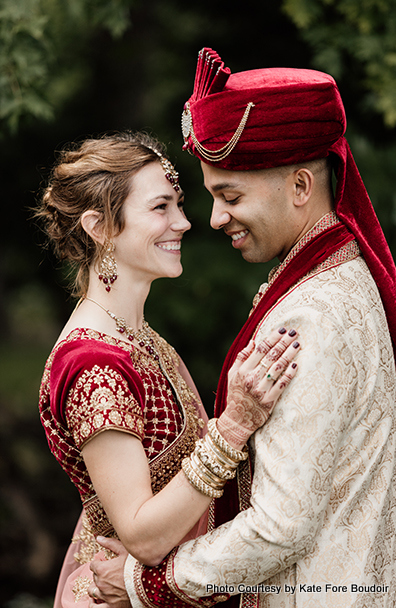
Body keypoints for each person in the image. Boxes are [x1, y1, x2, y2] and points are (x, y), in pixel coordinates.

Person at [91, 49, 396, 608]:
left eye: (230, 196)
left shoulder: (309, 316)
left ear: (301, 186)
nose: (213, 219)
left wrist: (145, 586)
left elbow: (280, 526)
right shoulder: (345, 276)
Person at [36, 131, 300, 607]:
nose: (182, 222)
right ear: (99, 227)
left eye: (178, 205)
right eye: (160, 208)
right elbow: (142, 534)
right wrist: (235, 426)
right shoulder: (94, 364)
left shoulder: (135, 336)